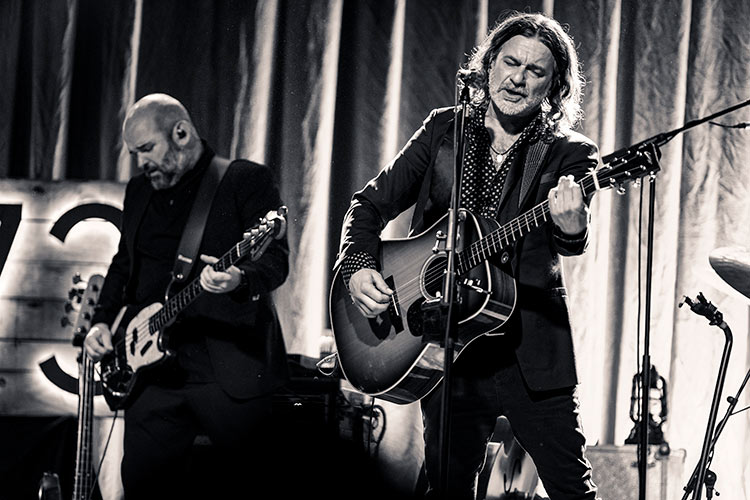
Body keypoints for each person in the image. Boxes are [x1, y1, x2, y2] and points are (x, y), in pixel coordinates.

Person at [335, 11, 601, 500]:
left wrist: (573, 227)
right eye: (510, 62)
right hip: (446, 347)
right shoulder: (445, 129)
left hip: (529, 353)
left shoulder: (569, 153)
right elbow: (368, 205)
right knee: (447, 490)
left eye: (535, 71)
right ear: (489, 64)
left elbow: (570, 240)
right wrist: (357, 266)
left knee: (571, 490)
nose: (518, 79)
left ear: (554, 86)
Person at [84, 93, 290, 499]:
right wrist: (101, 322)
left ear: (181, 133)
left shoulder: (243, 180)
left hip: (227, 367)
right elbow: (123, 264)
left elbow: (276, 261)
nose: (141, 162)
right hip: (152, 373)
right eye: (134, 153)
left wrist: (239, 279)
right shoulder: (139, 191)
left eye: (147, 149)